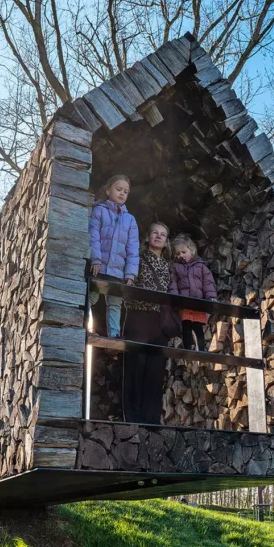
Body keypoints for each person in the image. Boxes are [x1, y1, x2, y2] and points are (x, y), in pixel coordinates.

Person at [123, 221, 173, 425]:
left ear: (167, 241)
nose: (159, 236)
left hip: (158, 320)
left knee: (155, 369)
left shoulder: (169, 266)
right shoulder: (137, 259)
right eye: (155, 232)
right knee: (135, 366)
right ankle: (132, 418)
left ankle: (151, 419)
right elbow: (128, 286)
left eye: (163, 234)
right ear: (147, 237)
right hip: (138, 316)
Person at [88, 175, 139, 338]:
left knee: (115, 303)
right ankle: (86, 327)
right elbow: (93, 237)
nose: (122, 193)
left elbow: (133, 249)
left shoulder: (130, 220)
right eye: (118, 189)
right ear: (108, 190)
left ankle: (114, 334)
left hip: (117, 271)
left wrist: (130, 273)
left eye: (126, 191)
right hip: (99, 266)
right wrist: (95, 259)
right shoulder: (98, 211)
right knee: (91, 297)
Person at [169, 234, 217, 351]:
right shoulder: (175, 267)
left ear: (192, 250)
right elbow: (173, 282)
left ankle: (201, 349)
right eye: (178, 254)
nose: (181, 255)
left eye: (183, 252)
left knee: (198, 327)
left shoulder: (201, 267)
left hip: (198, 304)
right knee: (186, 326)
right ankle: (187, 349)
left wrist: (211, 297)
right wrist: (175, 297)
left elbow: (208, 283)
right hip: (184, 303)